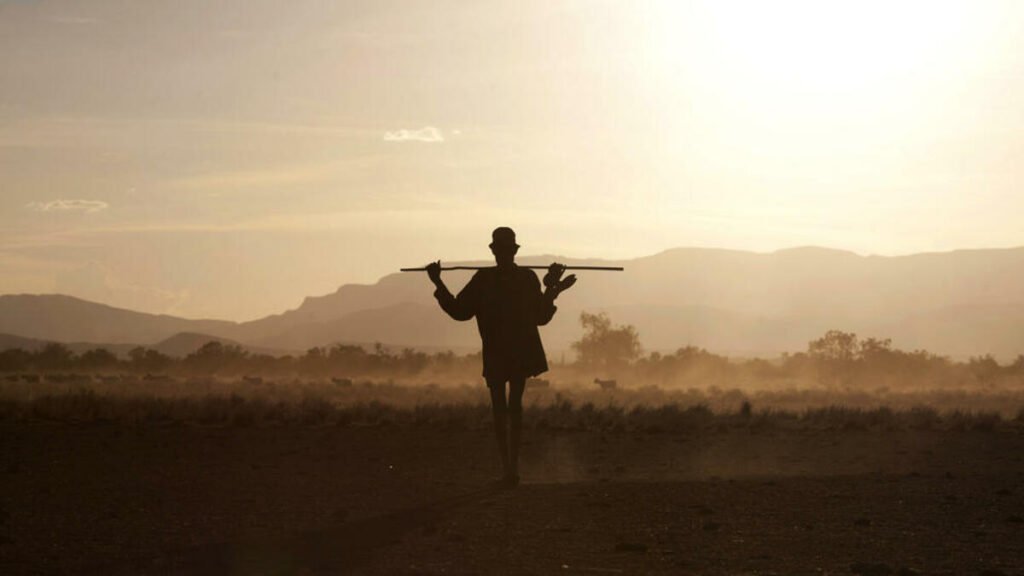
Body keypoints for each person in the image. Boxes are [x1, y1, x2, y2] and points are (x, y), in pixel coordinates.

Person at [425, 227, 576, 487]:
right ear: (510, 251)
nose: (503, 255)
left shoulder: (487, 279)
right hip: (515, 352)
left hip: (499, 353)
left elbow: (459, 312)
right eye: (503, 250)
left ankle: (509, 469)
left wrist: (438, 282)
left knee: (503, 410)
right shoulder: (523, 278)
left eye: (503, 250)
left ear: (496, 251)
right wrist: (553, 287)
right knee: (511, 408)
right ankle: (511, 469)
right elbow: (541, 316)